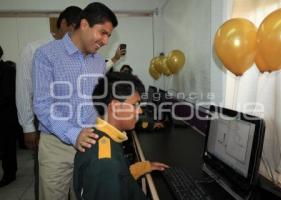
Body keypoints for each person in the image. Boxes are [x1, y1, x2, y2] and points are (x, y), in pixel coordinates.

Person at [32, 2, 117, 199]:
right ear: (85, 24)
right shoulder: (46, 55)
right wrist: (73, 133)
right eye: (103, 33)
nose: (105, 41)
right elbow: (43, 106)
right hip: (57, 147)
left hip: (90, 143)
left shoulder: (98, 61)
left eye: (109, 36)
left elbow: (97, 99)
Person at [16, 6, 81, 199]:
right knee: (48, 178)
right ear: (63, 24)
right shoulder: (35, 49)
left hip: (75, 125)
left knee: (76, 182)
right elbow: (24, 88)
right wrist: (27, 126)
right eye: (74, 29)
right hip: (45, 123)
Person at [73, 72, 169, 199]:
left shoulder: (102, 135)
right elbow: (110, 173)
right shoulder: (105, 162)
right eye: (135, 105)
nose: (140, 111)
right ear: (115, 107)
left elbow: (119, 177)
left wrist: (143, 167)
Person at [0, 46, 19, 187]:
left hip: (6, 116)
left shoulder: (7, 70)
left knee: (8, 147)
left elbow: (9, 94)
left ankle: (9, 174)